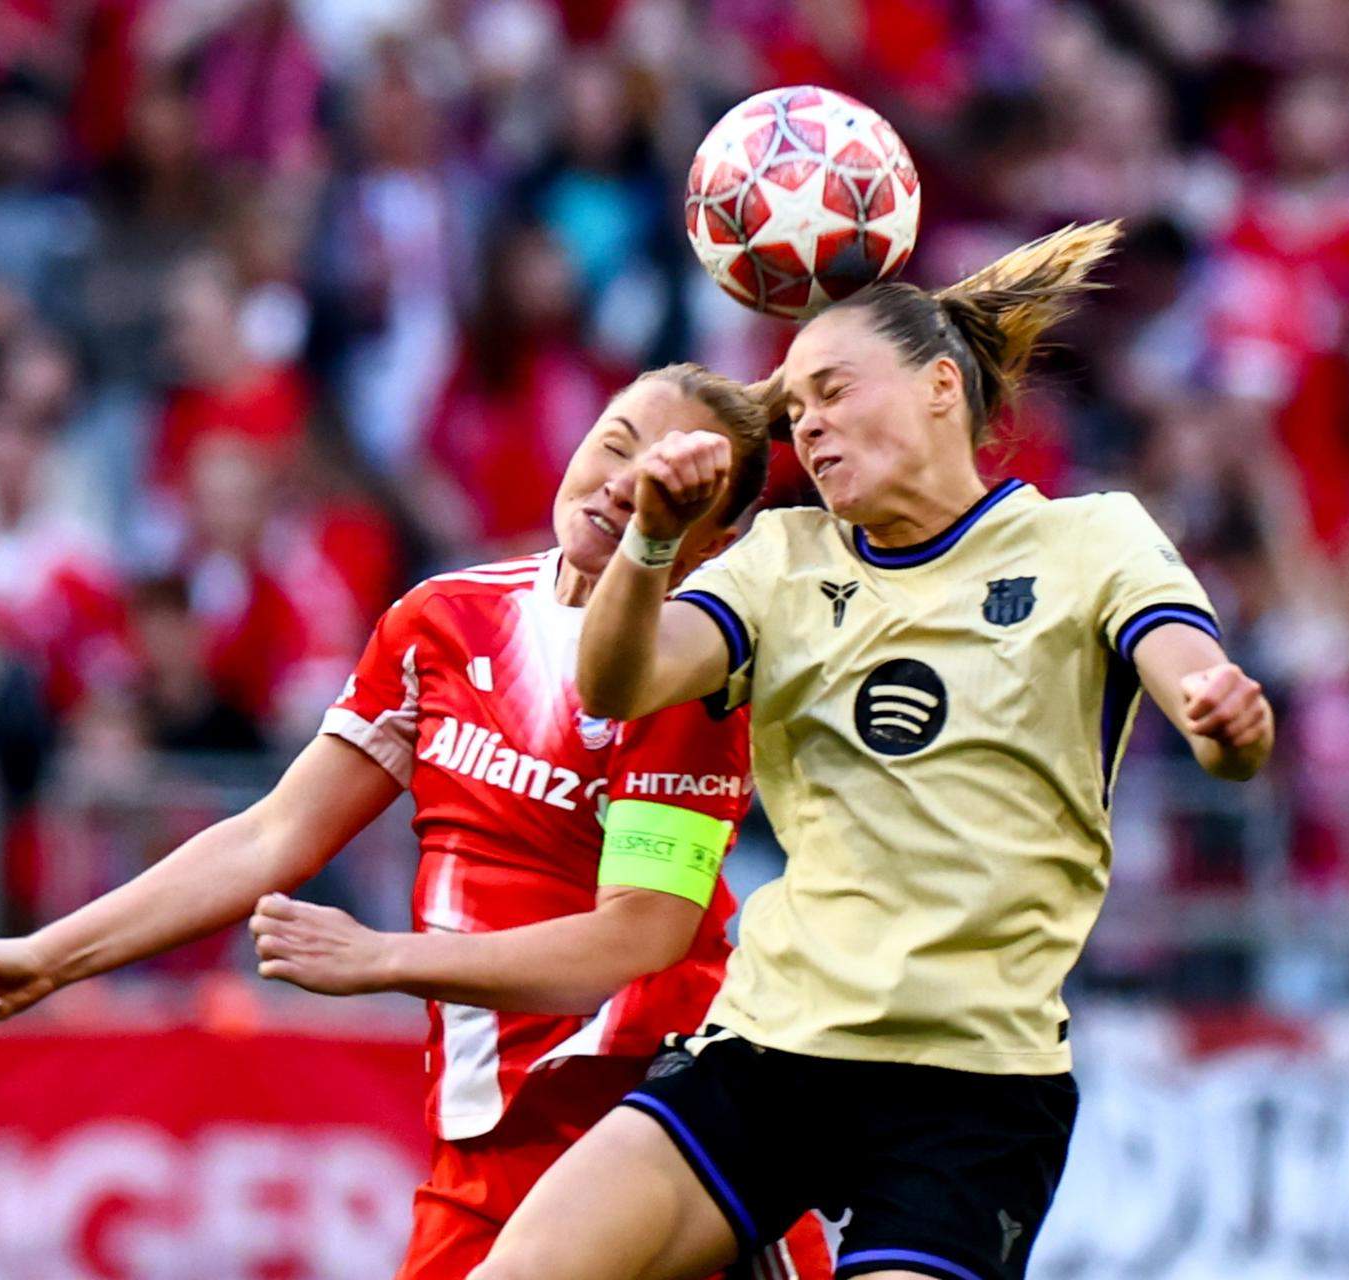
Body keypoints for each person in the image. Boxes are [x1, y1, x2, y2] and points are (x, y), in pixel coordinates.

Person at [475, 222, 1275, 1280]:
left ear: (943, 386)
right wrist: (652, 542)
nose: (810, 428)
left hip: (972, 1085)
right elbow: (617, 680)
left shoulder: (1092, 540)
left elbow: (1196, 686)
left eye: (837, 391)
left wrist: (1224, 716)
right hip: (771, 1048)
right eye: (796, 411)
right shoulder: (782, 558)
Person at [0, 363, 830, 1280]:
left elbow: (632, 943)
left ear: (719, 537)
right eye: (615, 445)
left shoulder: (691, 683)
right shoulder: (446, 621)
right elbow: (272, 836)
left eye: (667, 486)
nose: (619, 486)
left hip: (661, 1132)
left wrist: (382, 959)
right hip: (486, 1140)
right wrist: (49, 957)